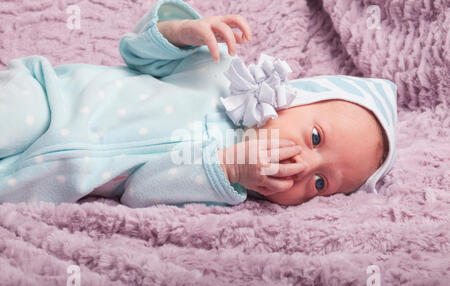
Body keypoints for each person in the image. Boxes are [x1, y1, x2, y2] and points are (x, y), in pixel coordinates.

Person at [0, 0, 397, 208]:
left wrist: (231, 169)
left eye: (321, 184)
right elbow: (138, 53)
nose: (305, 166)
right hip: (50, 100)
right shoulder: (221, 75)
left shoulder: (224, 187)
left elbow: (140, 192)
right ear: (294, 99)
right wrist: (181, 33)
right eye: (315, 137)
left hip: (49, 178)